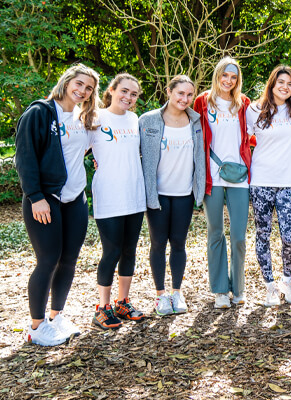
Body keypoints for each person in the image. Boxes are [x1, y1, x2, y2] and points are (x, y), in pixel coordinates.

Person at [16, 63, 100, 346]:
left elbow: (85, 149)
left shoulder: (82, 117)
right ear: (66, 82)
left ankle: (56, 317)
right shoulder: (40, 112)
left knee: (68, 261)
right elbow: (25, 157)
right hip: (46, 199)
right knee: (48, 260)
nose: (83, 90)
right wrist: (36, 196)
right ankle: (36, 327)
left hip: (75, 199)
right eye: (79, 84)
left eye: (88, 88)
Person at [140, 75, 205, 316]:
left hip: (184, 194)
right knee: (158, 244)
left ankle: (177, 292)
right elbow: (130, 149)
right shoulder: (148, 120)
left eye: (189, 95)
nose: (185, 99)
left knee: (178, 243)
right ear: (168, 91)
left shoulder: (196, 122)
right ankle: (161, 296)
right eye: (180, 94)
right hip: (157, 195)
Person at [194, 57, 252, 309]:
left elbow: (255, 133)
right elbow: (191, 134)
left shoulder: (244, 103)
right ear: (217, 75)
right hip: (212, 177)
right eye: (225, 75)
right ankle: (219, 290)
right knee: (215, 233)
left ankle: (237, 287)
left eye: (234, 77)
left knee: (239, 235)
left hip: (239, 176)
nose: (228, 81)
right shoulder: (202, 102)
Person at [89, 73, 146, 329]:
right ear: (111, 90)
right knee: (111, 251)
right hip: (109, 195)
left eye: (134, 94)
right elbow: (76, 149)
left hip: (134, 194)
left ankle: (122, 301)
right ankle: (102, 307)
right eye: (124, 91)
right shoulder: (96, 118)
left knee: (129, 251)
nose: (128, 97)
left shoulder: (134, 119)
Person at [247, 65, 291, 306]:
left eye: (290, 84)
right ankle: (269, 286)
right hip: (261, 183)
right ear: (272, 84)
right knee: (263, 235)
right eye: (281, 82)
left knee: (289, 237)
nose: (285, 87)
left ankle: (287, 281)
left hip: (289, 184)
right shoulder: (253, 110)